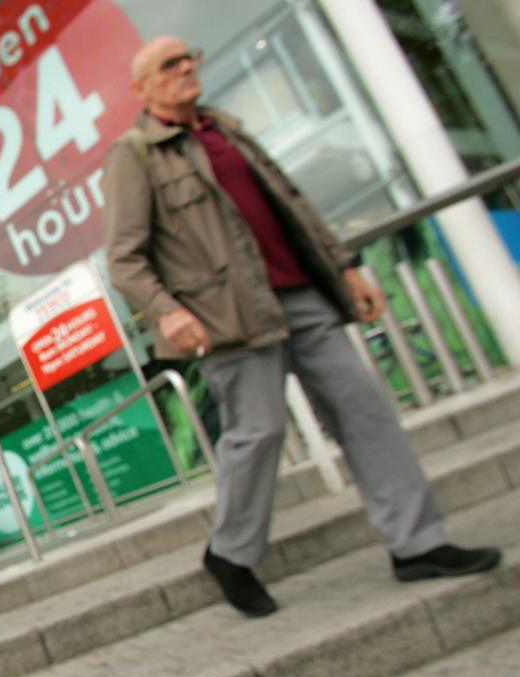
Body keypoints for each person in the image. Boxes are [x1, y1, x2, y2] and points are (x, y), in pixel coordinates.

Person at [102, 36, 500, 618]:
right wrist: (167, 309)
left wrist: (345, 266)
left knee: (366, 414)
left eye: (191, 57)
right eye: (170, 64)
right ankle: (231, 554)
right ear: (141, 89)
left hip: (302, 297)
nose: (187, 67)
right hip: (228, 317)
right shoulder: (134, 155)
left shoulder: (228, 131)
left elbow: (294, 205)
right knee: (258, 432)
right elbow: (125, 258)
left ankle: (419, 544)